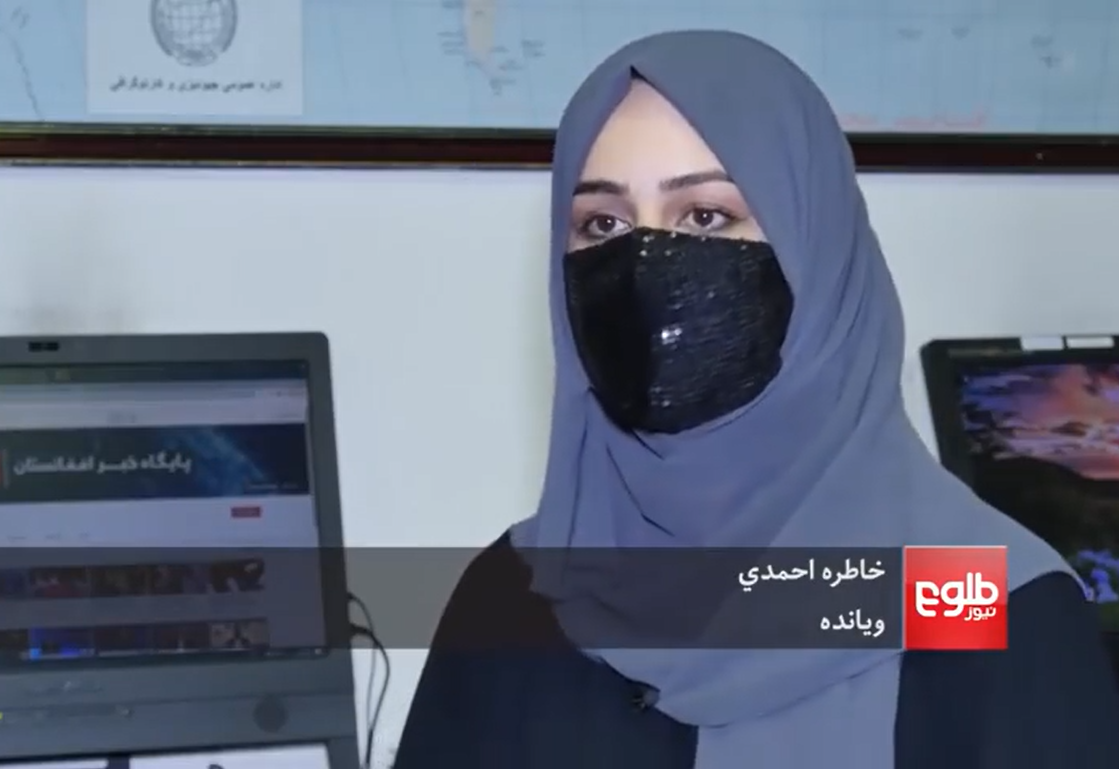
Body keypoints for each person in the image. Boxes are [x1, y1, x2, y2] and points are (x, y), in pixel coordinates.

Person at [392, 31, 1119, 769]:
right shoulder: (515, 590)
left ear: (816, 251)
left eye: (706, 216)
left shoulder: (988, 603)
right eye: (602, 224)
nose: (643, 264)